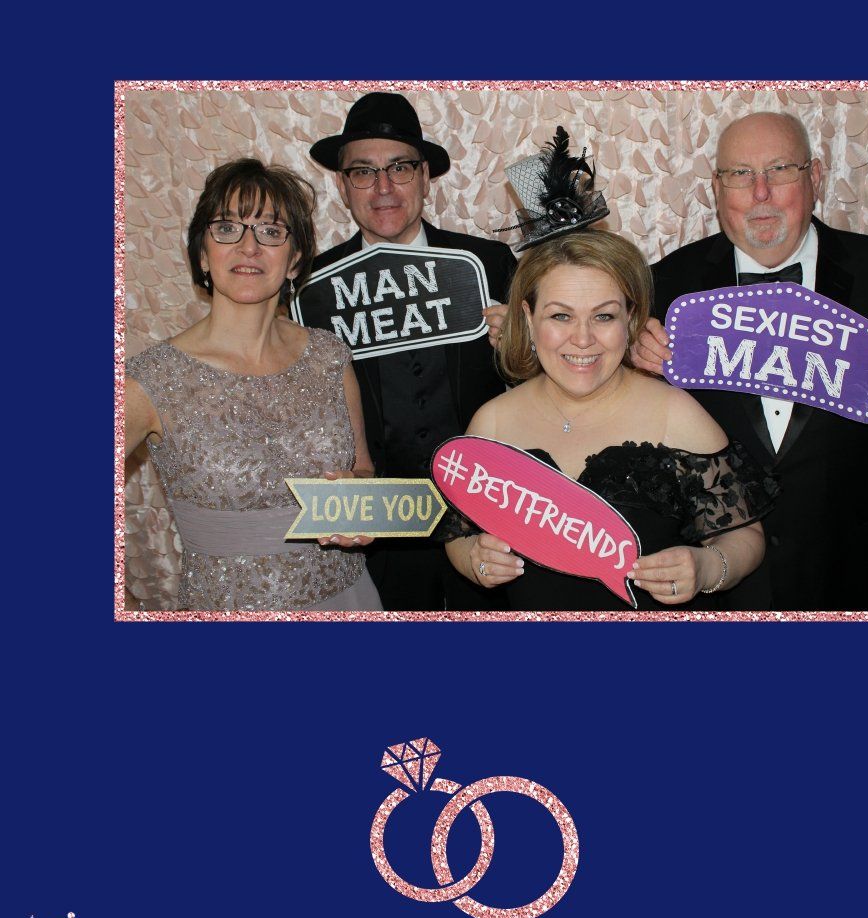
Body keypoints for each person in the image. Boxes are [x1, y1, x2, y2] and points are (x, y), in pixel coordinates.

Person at [635, 111, 868, 612]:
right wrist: (635, 371)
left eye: (781, 169)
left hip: (847, 576)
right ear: (717, 188)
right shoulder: (665, 287)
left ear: (816, 177)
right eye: (740, 174)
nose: (760, 192)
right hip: (712, 584)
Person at [443, 229, 770, 609]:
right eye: (561, 315)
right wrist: (474, 560)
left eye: (603, 316)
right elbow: (457, 534)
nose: (583, 339)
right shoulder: (492, 425)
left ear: (630, 319)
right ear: (528, 318)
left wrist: (708, 567)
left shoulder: (675, 414)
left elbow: (746, 536)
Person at [123, 159, 379, 612]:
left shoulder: (329, 356)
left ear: (295, 258)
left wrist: (360, 506)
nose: (248, 247)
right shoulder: (151, 379)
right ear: (202, 254)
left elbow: (363, 471)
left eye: (270, 230)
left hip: (349, 600)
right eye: (227, 229)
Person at [307, 91, 518, 610]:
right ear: (342, 185)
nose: (383, 188)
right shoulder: (314, 289)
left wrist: (523, 349)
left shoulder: (486, 264)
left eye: (400, 168)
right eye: (363, 172)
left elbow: (547, 388)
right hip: (380, 538)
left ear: (425, 177)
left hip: (490, 522)